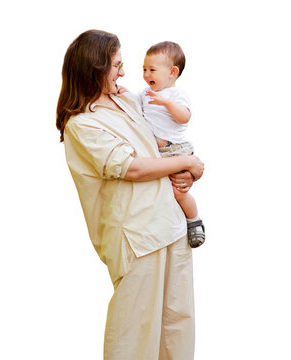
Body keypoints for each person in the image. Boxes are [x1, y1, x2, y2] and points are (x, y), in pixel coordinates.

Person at [56, 30, 204, 360]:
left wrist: (188, 168)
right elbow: (132, 167)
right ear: (95, 69)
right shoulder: (82, 124)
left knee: (176, 329)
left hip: (171, 225)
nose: (124, 73)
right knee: (135, 337)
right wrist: (188, 161)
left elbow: (155, 144)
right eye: (117, 65)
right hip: (137, 238)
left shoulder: (125, 99)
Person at [139, 41, 205, 248]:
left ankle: (194, 221)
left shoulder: (176, 95)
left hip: (176, 149)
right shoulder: (144, 94)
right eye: (144, 69)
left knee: (179, 191)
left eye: (152, 70)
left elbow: (184, 117)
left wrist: (166, 103)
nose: (147, 74)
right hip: (157, 153)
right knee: (161, 192)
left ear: (172, 72)